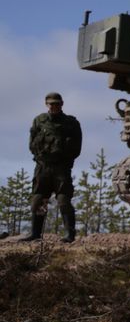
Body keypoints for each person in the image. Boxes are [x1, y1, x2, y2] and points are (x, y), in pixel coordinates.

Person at [21, 92, 82, 243]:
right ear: (46, 104)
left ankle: (70, 235)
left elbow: (77, 148)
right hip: (43, 167)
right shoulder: (39, 121)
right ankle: (35, 234)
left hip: (61, 168)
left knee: (63, 200)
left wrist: (65, 161)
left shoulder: (71, 123)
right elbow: (32, 144)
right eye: (51, 104)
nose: (54, 106)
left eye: (57, 103)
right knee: (37, 200)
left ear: (62, 104)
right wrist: (40, 159)